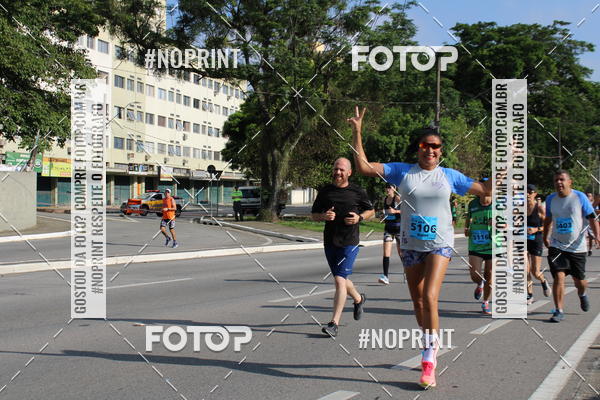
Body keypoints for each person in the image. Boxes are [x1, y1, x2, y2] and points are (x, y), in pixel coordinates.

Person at [349, 106, 491, 389]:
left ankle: (428, 359)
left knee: (429, 296)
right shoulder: (402, 172)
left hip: (440, 244)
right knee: (418, 302)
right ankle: (430, 341)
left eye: (436, 147)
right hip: (411, 245)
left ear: (441, 151)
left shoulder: (450, 176)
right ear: (419, 148)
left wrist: (508, 161)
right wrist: (357, 131)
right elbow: (364, 167)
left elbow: (486, 190)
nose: (431, 150)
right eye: (426, 145)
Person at [311, 157, 374, 337]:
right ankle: (359, 299)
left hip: (349, 242)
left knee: (339, 280)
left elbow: (371, 211)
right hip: (330, 241)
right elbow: (313, 215)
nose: (337, 172)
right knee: (342, 279)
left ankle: (334, 324)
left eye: (341, 170)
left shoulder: (357, 191)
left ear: (349, 172)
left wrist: (359, 218)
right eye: (335, 169)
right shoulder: (325, 191)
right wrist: (324, 216)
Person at [542, 170, 600, 322]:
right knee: (559, 276)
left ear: (569, 182)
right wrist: (545, 236)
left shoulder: (579, 197)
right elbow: (548, 219)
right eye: (556, 180)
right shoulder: (550, 199)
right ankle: (559, 310)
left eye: (562, 179)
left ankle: (582, 293)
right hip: (557, 245)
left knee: (579, 281)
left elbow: (592, 218)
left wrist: (597, 236)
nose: (558, 182)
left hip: (577, 247)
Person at [464, 183, 493, 315]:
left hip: (493, 245)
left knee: (490, 275)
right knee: (474, 274)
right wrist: (466, 228)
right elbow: (468, 218)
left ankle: (485, 302)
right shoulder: (473, 204)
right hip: (475, 244)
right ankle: (480, 283)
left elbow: (508, 224)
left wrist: (498, 224)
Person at [526, 184, 550, 303]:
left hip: (536, 241)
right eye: (525, 191)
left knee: (535, 272)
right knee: (525, 270)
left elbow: (547, 226)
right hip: (523, 241)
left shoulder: (539, 208)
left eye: (530, 192)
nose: (527, 194)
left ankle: (543, 281)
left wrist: (536, 229)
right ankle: (529, 295)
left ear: (535, 194)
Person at [379, 183, 402, 285]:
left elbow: (407, 210)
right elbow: (385, 213)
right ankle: (385, 276)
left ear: (394, 188)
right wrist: (383, 217)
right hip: (388, 229)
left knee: (401, 254)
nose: (387, 189)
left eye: (389, 187)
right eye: (386, 187)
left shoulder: (397, 198)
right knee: (386, 254)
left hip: (399, 229)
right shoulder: (385, 199)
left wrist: (395, 211)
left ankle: (407, 272)